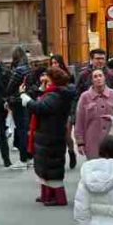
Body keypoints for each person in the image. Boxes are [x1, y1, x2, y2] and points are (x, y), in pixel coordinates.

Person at [22, 67, 73, 205]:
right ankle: (47, 195)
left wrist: (27, 101)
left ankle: (59, 198)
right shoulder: (53, 93)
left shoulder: (55, 95)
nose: (44, 79)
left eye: (47, 77)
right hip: (47, 133)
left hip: (51, 134)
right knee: (45, 167)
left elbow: (41, 108)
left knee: (52, 168)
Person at [74, 68, 113, 161]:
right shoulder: (85, 96)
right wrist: (80, 142)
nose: (98, 78)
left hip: (112, 140)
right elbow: (79, 121)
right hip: (92, 141)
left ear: (104, 78)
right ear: (92, 80)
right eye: (95, 76)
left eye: (100, 76)